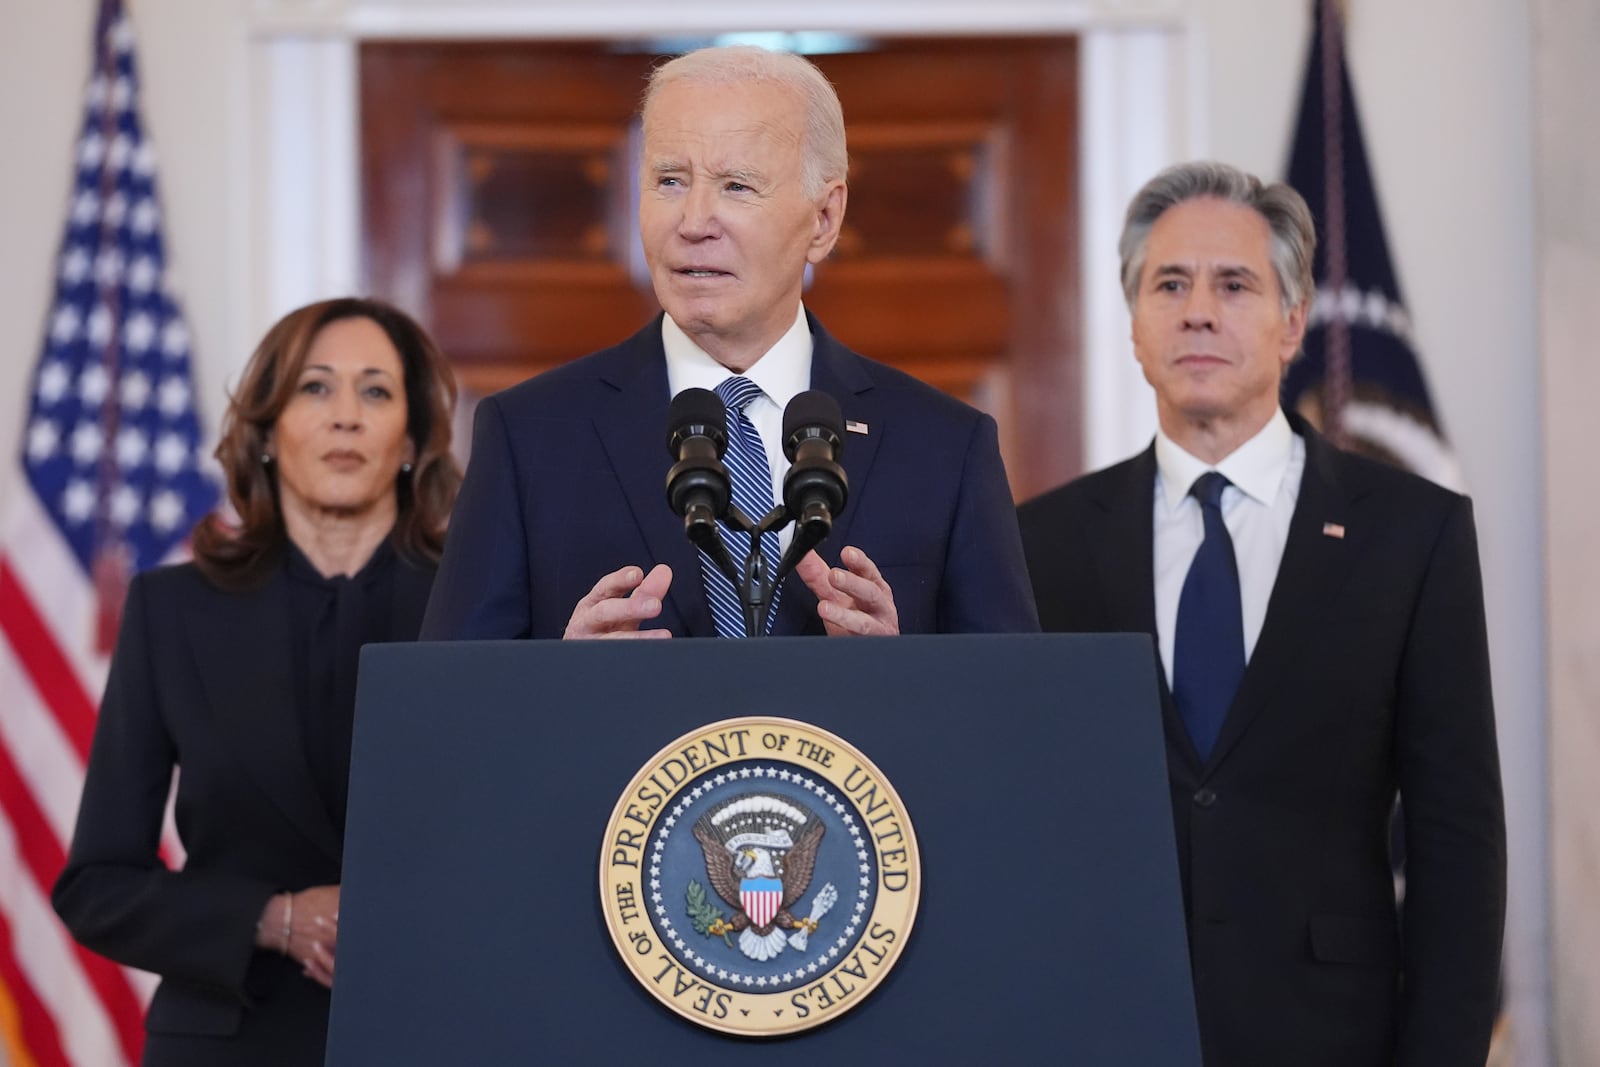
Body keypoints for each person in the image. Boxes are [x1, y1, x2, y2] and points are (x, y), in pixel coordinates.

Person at [1018, 162, 1504, 1065]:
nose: (1198, 310)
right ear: (1134, 324)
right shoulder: (1039, 542)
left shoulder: (1411, 533)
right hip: (1100, 1030)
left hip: (1333, 1037)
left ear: (1292, 321)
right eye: (1169, 284)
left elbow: (1457, 838)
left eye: (1233, 284)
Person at [420, 45, 1036, 641]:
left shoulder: (946, 447)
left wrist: (901, 676)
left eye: (736, 186)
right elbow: (450, 716)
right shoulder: (528, 436)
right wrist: (562, 682)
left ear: (824, 220)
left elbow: (1012, 716)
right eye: (668, 180)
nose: (691, 222)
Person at [53, 297, 461, 1066]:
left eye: (375, 390)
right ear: (267, 432)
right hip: (230, 1038)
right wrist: (272, 917)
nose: (346, 416)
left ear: (410, 441)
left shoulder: (477, 605)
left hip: (435, 1029)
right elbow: (97, 883)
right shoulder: (171, 611)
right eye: (315, 387)